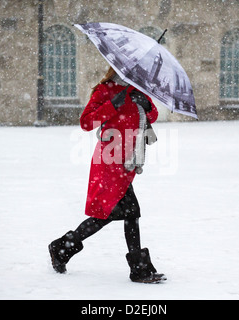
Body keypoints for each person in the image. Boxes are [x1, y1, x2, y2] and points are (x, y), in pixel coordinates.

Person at [48, 67, 166, 284]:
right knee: (129, 212)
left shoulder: (136, 90)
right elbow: (86, 122)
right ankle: (139, 270)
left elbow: (152, 115)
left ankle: (61, 248)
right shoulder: (104, 90)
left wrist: (147, 105)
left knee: (108, 214)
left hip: (127, 161)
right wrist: (113, 105)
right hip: (109, 161)